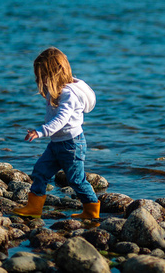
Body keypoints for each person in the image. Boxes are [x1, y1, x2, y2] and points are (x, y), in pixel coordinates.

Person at [12, 47, 100, 219]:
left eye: (42, 76)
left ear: (54, 74)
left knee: (76, 180)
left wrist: (40, 132)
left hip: (72, 145)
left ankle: (91, 211)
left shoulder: (69, 94)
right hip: (56, 144)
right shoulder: (55, 91)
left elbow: (61, 120)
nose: (40, 80)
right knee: (40, 171)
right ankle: (34, 207)